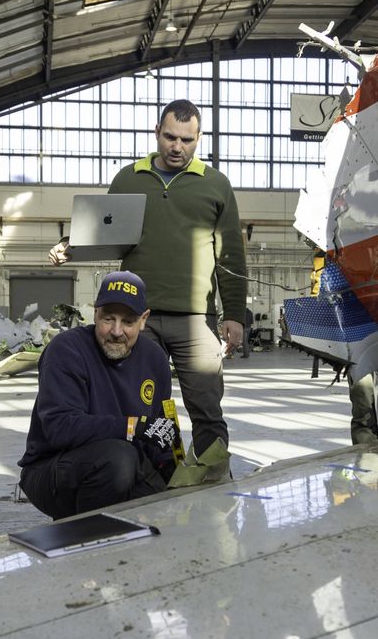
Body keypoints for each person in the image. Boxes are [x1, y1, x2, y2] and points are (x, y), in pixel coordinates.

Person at [49, 100, 247, 460]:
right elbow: (102, 231)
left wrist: (234, 313)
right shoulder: (129, 178)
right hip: (137, 318)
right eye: (170, 137)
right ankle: (154, 475)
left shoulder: (216, 186)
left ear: (198, 138)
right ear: (157, 133)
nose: (177, 146)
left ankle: (212, 477)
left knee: (207, 410)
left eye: (187, 140)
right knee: (138, 408)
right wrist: (70, 246)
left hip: (196, 320)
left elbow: (231, 256)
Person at [18, 271, 178, 520]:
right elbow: (61, 429)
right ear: (95, 312)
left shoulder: (155, 360)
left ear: (143, 320)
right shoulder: (66, 350)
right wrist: (133, 427)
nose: (116, 331)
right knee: (118, 460)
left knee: (163, 501)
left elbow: (158, 428)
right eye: (108, 319)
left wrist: (176, 469)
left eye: (128, 322)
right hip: (53, 469)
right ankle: (87, 540)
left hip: (125, 464)